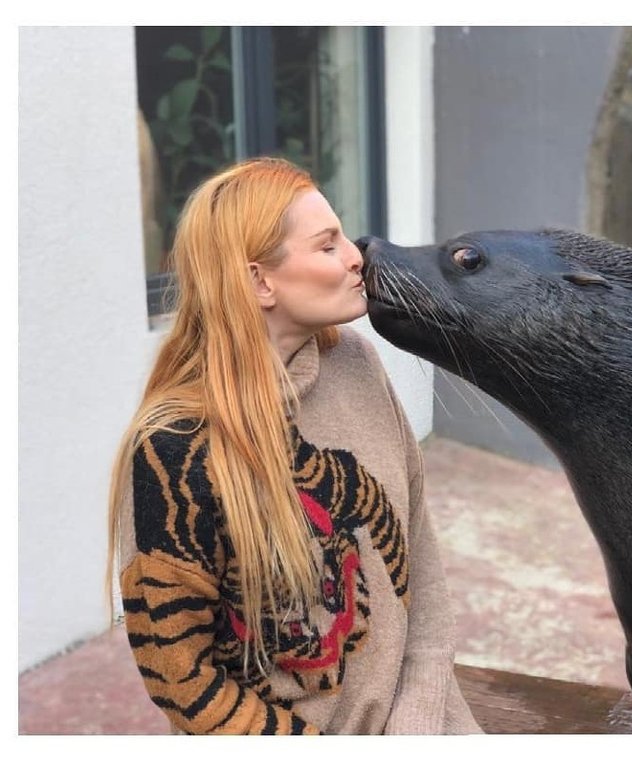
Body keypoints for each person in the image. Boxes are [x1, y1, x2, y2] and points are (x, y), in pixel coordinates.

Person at [105, 156, 483, 735]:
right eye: (328, 246)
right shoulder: (173, 450)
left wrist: (419, 714)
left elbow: (419, 559)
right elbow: (180, 679)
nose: (358, 255)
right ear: (260, 281)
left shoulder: (355, 363)